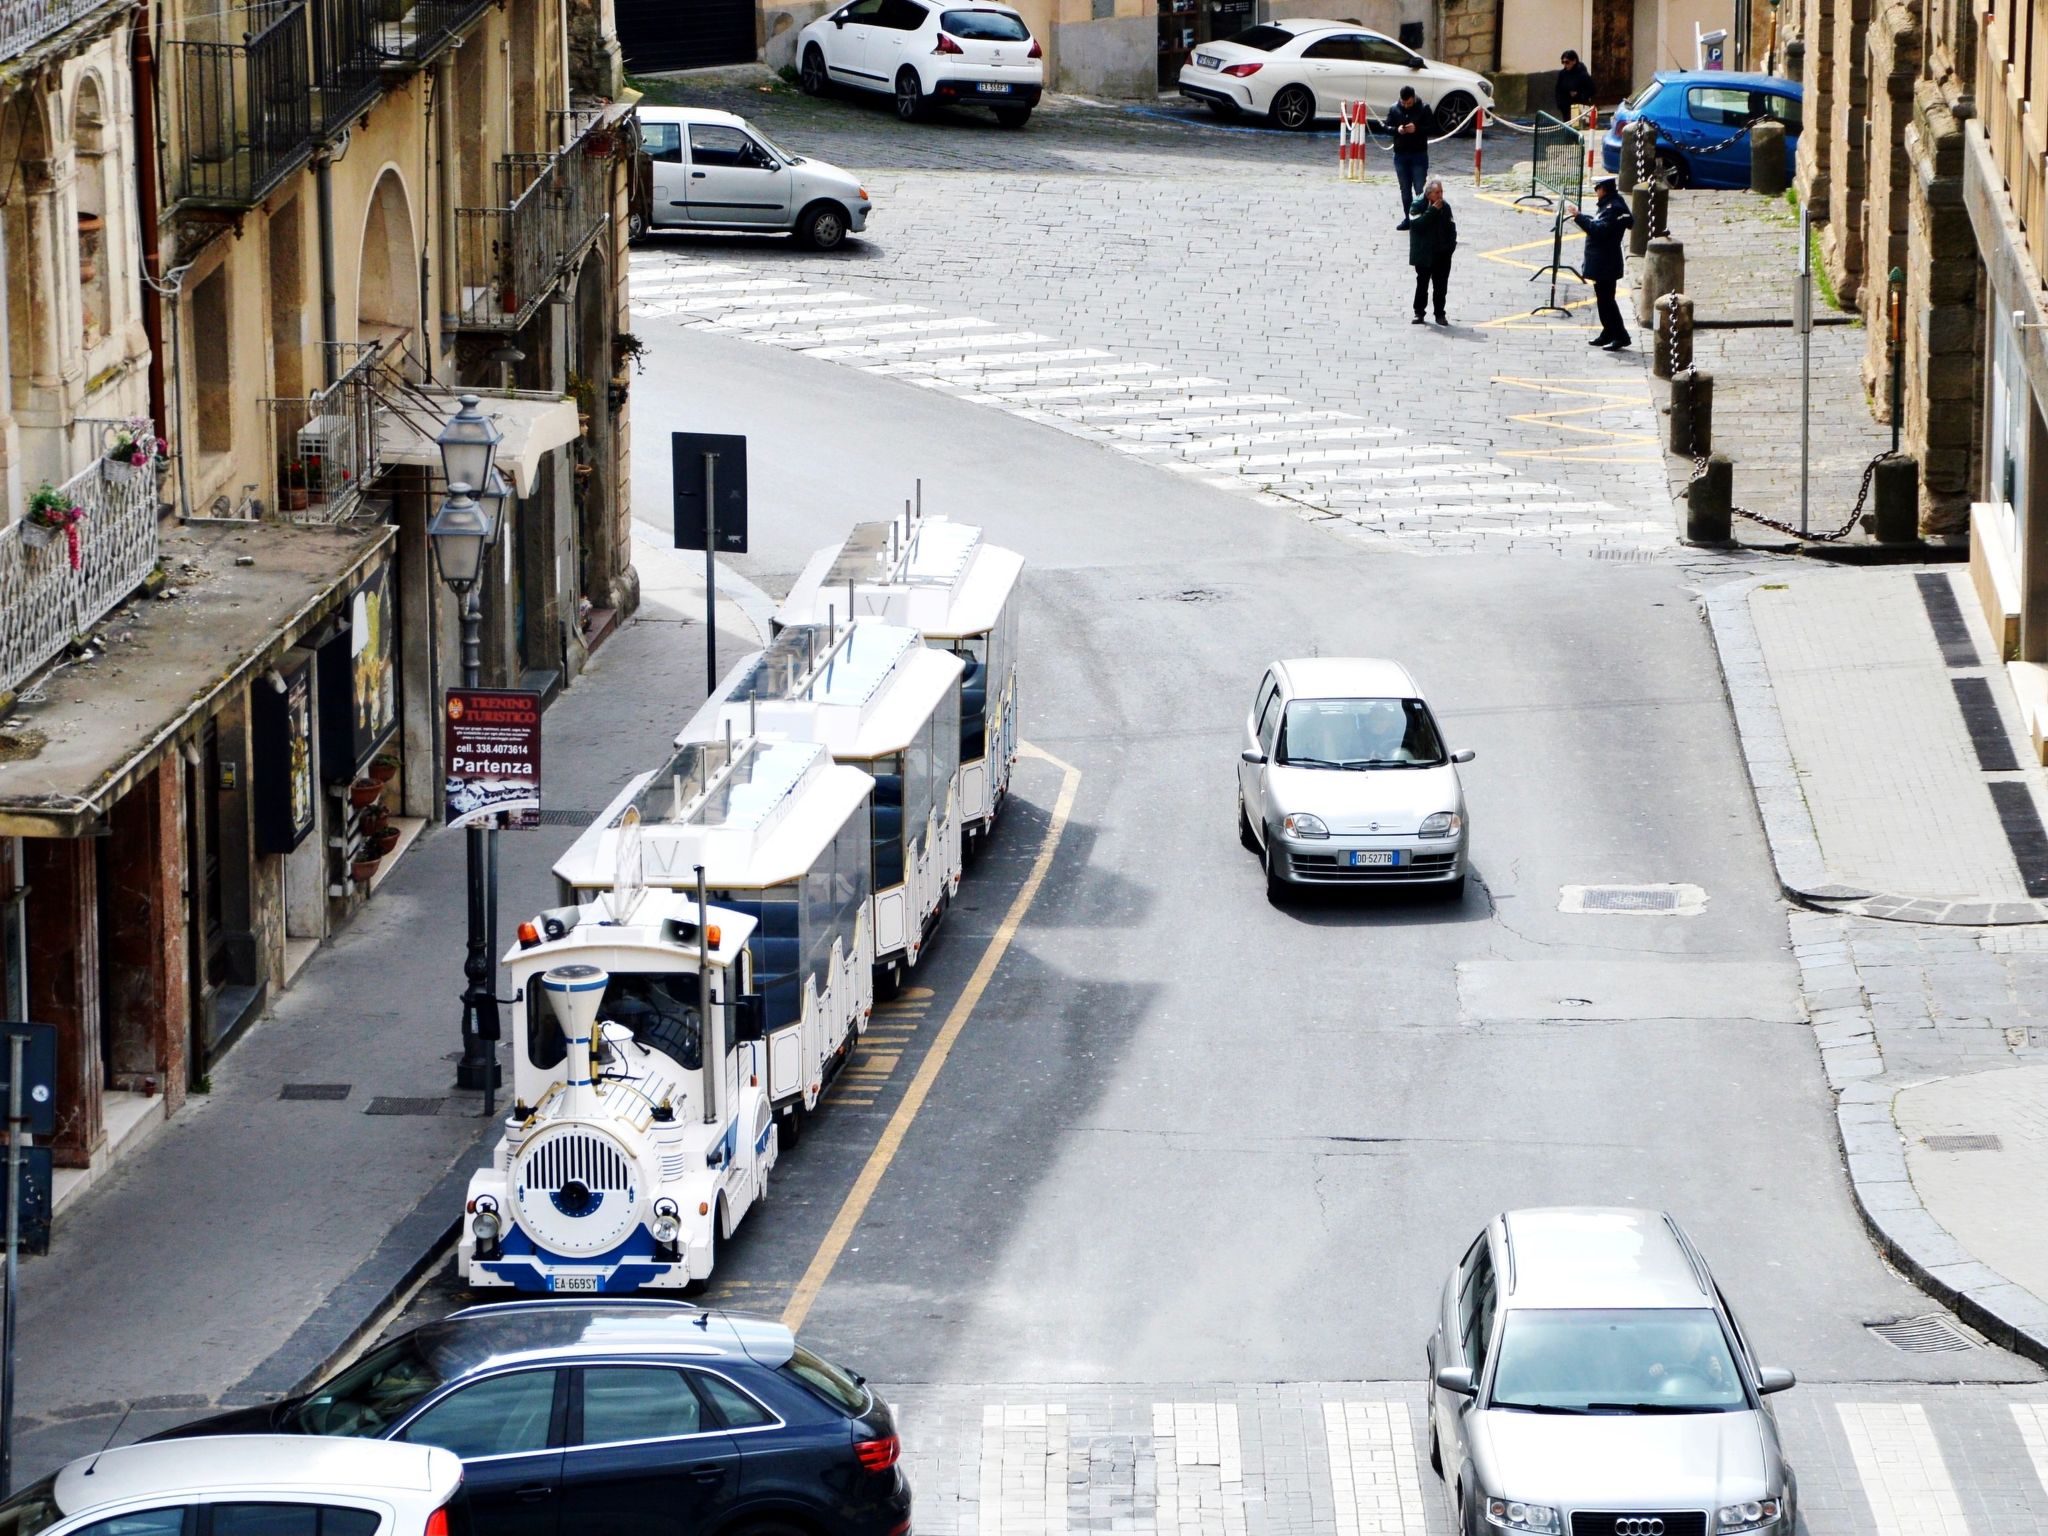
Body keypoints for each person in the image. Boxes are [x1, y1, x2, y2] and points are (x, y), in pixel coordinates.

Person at [1566, 174, 1632, 348]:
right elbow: (1600, 223)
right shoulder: (1612, 204)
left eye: (1597, 188)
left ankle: (1620, 335)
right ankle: (1608, 332)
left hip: (1606, 262)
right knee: (1604, 299)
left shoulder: (1612, 208)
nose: (1596, 192)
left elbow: (1600, 230)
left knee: (1607, 301)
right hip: (1605, 261)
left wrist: (1579, 217)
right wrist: (1583, 217)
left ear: (1603, 189)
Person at [1408, 178, 1456, 326]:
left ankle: (1440, 314)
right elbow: (1417, 225)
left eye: (1441, 192)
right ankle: (1419, 313)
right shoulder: (1417, 205)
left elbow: (1452, 228)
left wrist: (1450, 247)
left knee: (1441, 286)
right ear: (1429, 194)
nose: (1440, 195)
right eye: (1437, 192)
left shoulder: (1445, 207)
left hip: (1442, 253)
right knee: (1422, 284)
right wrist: (1432, 211)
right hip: (1424, 253)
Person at [1386, 86, 1432, 229]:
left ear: (1414, 98)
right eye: (1404, 103)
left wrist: (1416, 129)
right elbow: (1386, 127)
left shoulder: (1424, 108)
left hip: (1418, 154)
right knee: (1405, 190)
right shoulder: (1394, 109)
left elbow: (1432, 127)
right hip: (1400, 155)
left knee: (1419, 188)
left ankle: (1420, 219)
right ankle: (1408, 218)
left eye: (1409, 103)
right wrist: (1397, 130)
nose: (1406, 105)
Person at [1554, 49, 1596, 122]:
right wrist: (1560, 104)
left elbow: (1592, 89)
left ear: (1574, 61)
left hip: (1579, 107)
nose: (1565, 65)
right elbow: (1558, 89)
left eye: (1567, 62)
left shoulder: (1582, 74)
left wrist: (1579, 94)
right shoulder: (1562, 74)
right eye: (1563, 62)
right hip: (1566, 108)